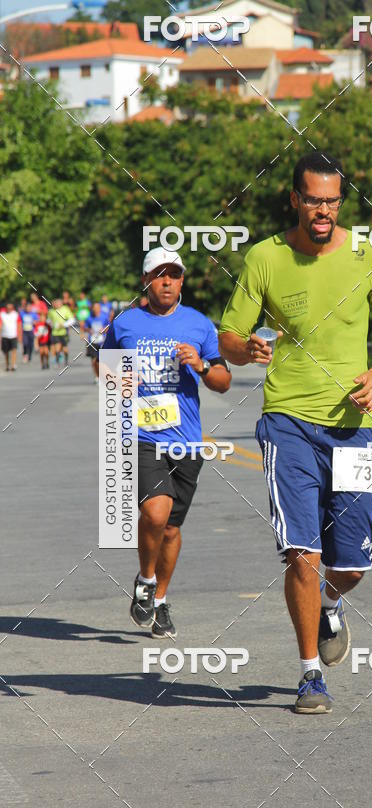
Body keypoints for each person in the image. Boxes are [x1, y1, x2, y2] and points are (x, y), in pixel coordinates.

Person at [219, 152, 372, 714]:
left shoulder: (368, 257)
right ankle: (310, 675)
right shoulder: (266, 258)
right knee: (301, 551)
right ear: (295, 199)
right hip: (287, 423)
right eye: (313, 199)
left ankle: (332, 602)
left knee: (349, 564)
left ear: (339, 202)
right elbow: (229, 335)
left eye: (332, 200)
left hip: (354, 429)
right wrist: (246, 348)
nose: (323, 210)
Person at [102, 248, 232, 638]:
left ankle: (158, 600)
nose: (166, 281)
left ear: (181, 281)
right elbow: (105, 367)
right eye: (159, 275)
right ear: (146, 281)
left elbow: (223, 382)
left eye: (173, 275)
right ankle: (145, 578)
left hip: (187, 441)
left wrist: (202, 366)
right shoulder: (125, 324)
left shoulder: (199, 324)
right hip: (141, 436)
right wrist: (123, 382)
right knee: (156, 514)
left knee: (171, 530)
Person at [83, 301, 110, 382]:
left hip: (102, 341)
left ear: (100, 308)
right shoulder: (89, 317)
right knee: (94, 360)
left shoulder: (104, 317)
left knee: (101, 360)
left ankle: (104, 375)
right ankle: (97, 377)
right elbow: (85, 327)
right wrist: (89, 330)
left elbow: (109, 326)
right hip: (92, 341)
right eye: (94, 308)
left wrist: (104, 329)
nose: (96, 310)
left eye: (97, 308)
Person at [47, 298, 75, 366]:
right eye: (55, 303)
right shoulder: (51, 311)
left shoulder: (65, 309)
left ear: (61, 304)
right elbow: (48, 320)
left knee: (65, 350)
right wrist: (52, 325)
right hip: (55, 333)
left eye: (58, 303)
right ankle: (57, 362)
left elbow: (72, 320)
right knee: (57, 348)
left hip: (64, 333)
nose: (57, 305)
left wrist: (64, 325)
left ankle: (66, 361)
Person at [1, 302, 19, 372]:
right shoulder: (2, 314)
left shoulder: (15, 314)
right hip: (5, 335)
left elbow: (19, 324)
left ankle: (13, 365)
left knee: (14, 350)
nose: (9, 309)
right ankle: (7, 365)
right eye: (8, 308)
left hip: (13, 335)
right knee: (6, 352)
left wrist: (20, 335)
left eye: (10, 308)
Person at [19, 299, 38, 363]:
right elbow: (19, 321)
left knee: (30, 344)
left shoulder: (34, 314)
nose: (28, 308)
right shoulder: (22, 313)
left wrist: (35, 322)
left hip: (31, 331)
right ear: (25, 307)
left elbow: (37, 321)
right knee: (25, 344)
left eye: (29, 307)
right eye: (27, 307)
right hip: (24, 331)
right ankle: (25, 355)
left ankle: (29, 356)